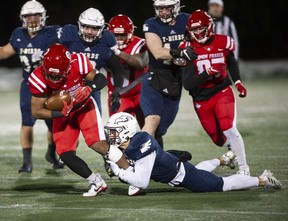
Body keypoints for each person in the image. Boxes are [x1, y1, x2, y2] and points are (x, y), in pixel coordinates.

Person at [28, 43, 130, 196]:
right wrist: (60, 114)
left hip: (83, 107)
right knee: (65, 154)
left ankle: (131, 172)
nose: (54, 78)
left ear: (68, 67)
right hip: (61, 114)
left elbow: (100, 79)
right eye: (51, 74)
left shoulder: (78, 62)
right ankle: (97, 182)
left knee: (98, 144)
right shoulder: (38, 78)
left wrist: (89, 88)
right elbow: (36, 112)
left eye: (59, 74)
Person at [105, 112, 282, 195]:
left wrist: (117, 168)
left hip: (181, 174)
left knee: (222, 184)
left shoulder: (139, 144)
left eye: (113, 131)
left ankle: (263, 180)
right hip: (173, 164)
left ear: (125, 130)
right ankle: (222, 159)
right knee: (197, 171)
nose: (110, 135)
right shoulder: (130, 143)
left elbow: (142, 181)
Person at [179, 10, 249, 175]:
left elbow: (231, 61)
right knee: (218, 139)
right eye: (194, 30)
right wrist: (208, 72)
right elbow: (188, 84)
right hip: (201, 98)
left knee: (228, 126)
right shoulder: (188, 48)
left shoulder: (223, 41)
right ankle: (231, 148)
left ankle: (244, 169)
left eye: (200, 28)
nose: (197, 33)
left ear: (209, 27)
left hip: (222, 90)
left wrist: (237, 82)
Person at [0, 0, 64, 173]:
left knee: (53, 122)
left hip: (50, 86)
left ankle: (51, 154)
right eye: (28, 16)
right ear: (22, 18)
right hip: (29, 85)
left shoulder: (54, 33)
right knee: (27, 122)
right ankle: (27, 162)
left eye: (36, 15)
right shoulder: (18, 34)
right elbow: (5, 52)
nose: (33, 19)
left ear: (43, 17)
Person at [141, 0, 197, 148]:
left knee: (160, 129)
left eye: (167, 8)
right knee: (152, 121)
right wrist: (179, 52)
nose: (164, 12)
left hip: (175, 80)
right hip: (156, 77)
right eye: (160, 8)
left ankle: (156, 161)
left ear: (176, 7)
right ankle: (138, 160)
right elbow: (157, 52)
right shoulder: (151, 24)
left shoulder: (187, 20)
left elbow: (204, 32)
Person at [57, 7, 125, 115]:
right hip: (67, 86)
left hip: (91, 88)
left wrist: (116, 92)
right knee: (61, 124)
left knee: (94, 123)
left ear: (101, 29)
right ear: (79, 25)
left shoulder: (105, 42)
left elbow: (117, 68)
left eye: (94, 28)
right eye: (86, 27)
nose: (89, 32)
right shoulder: (69, 35)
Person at [108, 14, 149, 128]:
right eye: (116, 35)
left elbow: (141, 64)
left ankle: (156, 147)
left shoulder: (139, 44)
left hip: (141, 94)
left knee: (150, 129)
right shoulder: (104, 45)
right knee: (118, 131)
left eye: (122, 35)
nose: (119, 39)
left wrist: (117, 52)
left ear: (130, 34)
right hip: (119, 95)